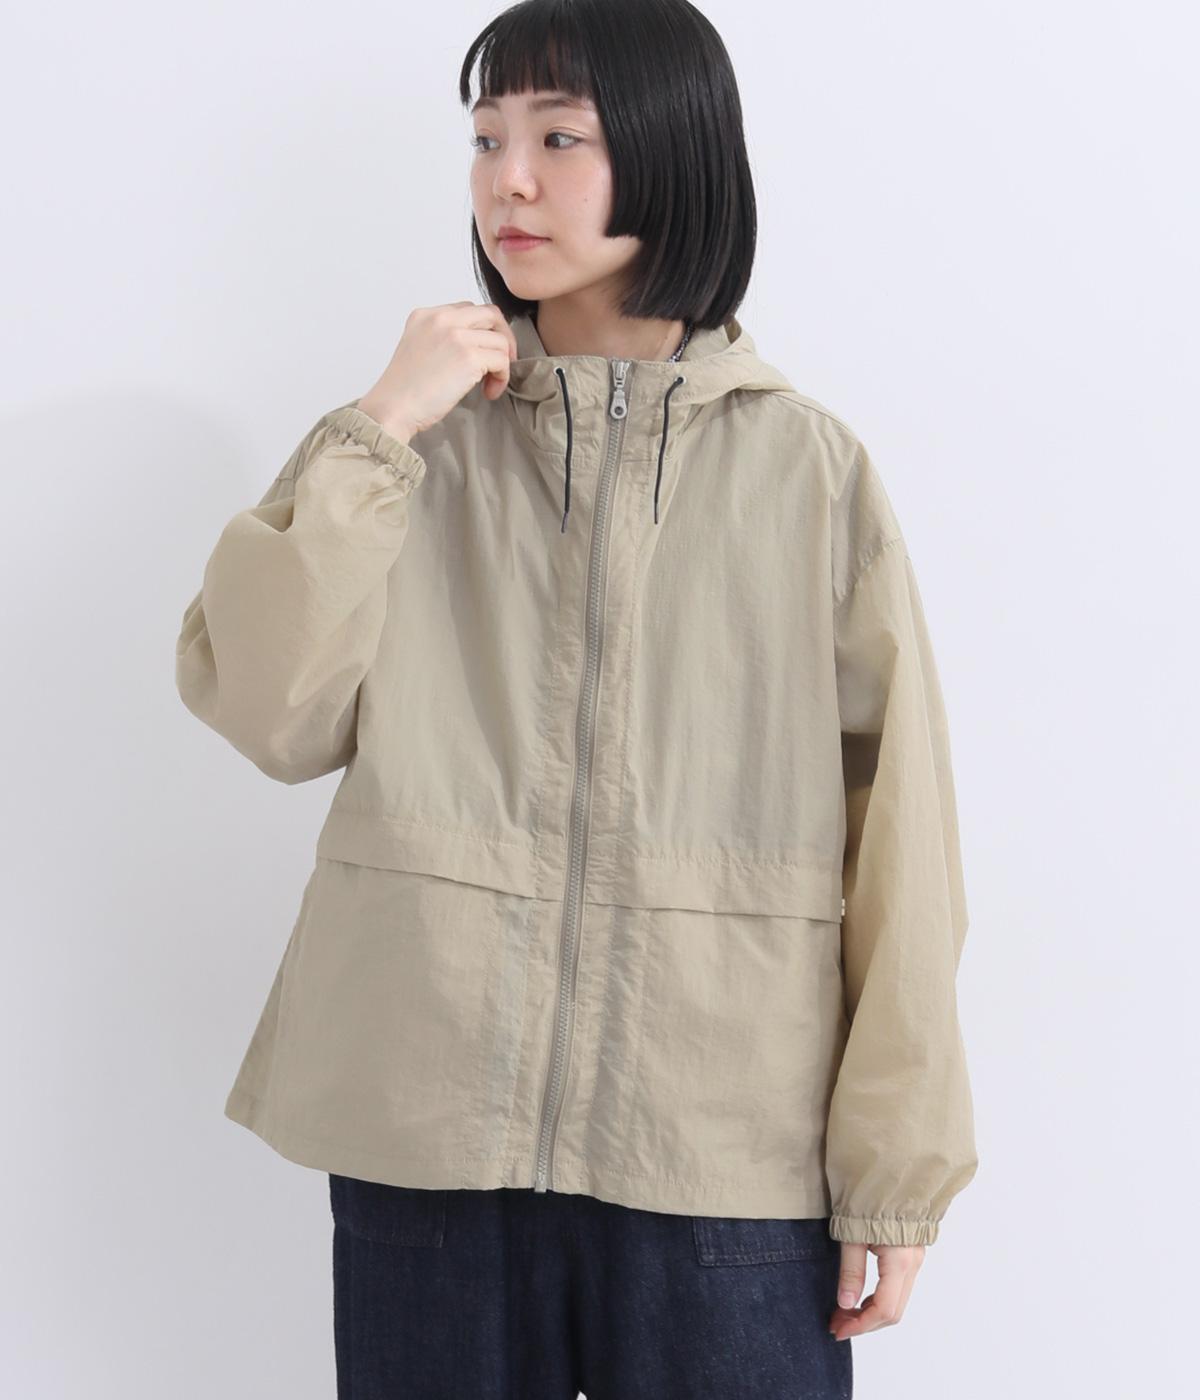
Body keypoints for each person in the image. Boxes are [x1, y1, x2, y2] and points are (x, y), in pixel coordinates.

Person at [174, 1, 978, 1395]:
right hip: (427, 1133)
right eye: (485, 138)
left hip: (722, 1152)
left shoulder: (807, 471)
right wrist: (383, 422)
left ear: (672, 149)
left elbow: (901, 841)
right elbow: (264, 709)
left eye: (559, 138)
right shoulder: (411, 449)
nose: (508, 180)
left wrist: (895, 1175)